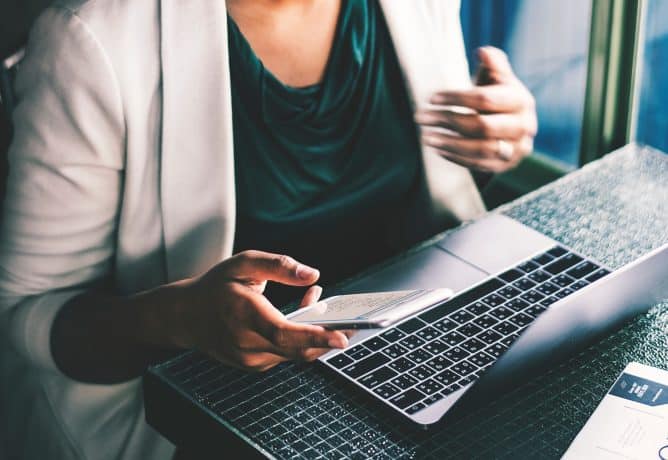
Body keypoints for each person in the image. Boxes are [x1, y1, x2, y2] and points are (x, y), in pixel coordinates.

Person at [0, 0, 537, 458]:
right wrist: (178, 321)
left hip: (408, 363)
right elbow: (25, 313)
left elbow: (410, 184)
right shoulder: (90, 42)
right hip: (218, 414)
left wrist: (492, 142)